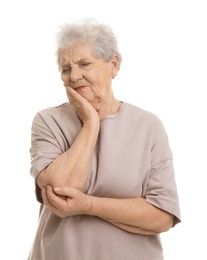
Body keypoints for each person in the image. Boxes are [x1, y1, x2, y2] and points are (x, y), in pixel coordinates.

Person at [28, 18, 181, 260]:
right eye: (65, 69)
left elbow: (162, 217)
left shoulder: (148, 126)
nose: (74, 76)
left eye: (84, 64)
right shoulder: (48, 121)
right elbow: (61, 188)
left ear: (113, 64)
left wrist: (88, 205)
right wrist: (91, 123)